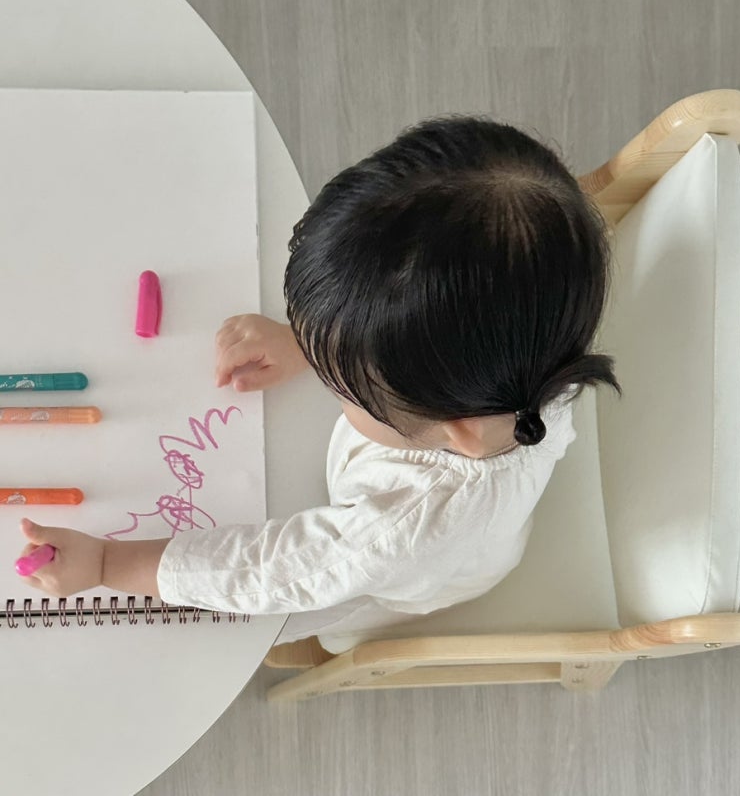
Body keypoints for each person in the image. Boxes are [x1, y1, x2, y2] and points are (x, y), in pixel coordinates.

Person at [17, 115, 621, 645]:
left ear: (457, 428)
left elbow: (271, 572)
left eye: (343, 380)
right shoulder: (537, 333)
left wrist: (107, 565)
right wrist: (316, 341)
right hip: (434, 501)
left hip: (413, 580)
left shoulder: (406, 528)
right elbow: (423, 320)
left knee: (299, 624)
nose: (326, 373)